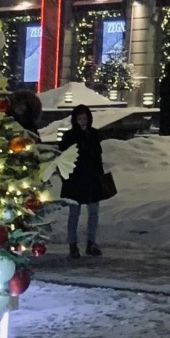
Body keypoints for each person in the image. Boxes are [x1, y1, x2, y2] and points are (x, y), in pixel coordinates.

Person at [57, 104, 115, 258]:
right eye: (80, 118)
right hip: (76, 180)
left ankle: (91, 242)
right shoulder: (70, 136)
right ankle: (73, 244)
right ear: (75, 120)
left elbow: (97, 157)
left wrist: (100, 176)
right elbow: (63, 158)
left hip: (92, 179)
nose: (83, 121)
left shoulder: (94, 134)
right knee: (74, 212)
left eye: (85, 118)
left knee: (93, 212)